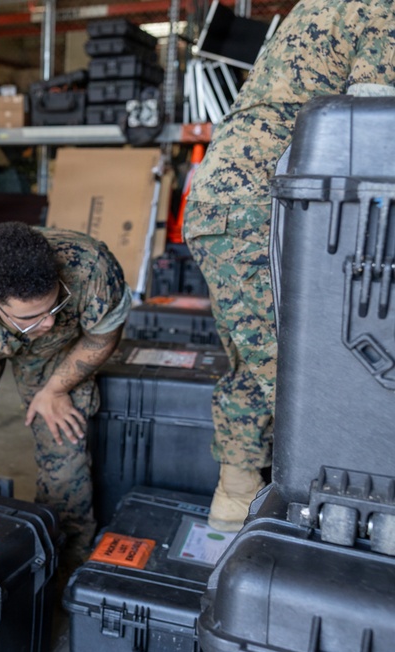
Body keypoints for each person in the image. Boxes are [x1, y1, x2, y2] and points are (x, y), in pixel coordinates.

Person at [181, 0, 395, 531]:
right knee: (310, 376)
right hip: (260, 206)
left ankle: (236, 502)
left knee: (260, 364)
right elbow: (374, 131)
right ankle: (329, 528)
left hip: (231, 202)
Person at [0, 221, 130, 570]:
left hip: (59, 350)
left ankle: (66, 561)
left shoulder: (91, 268)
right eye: (33, 318)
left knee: (64, 437)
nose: (46, 322)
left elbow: (102, 337)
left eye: (53, 306)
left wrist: (55, 388)